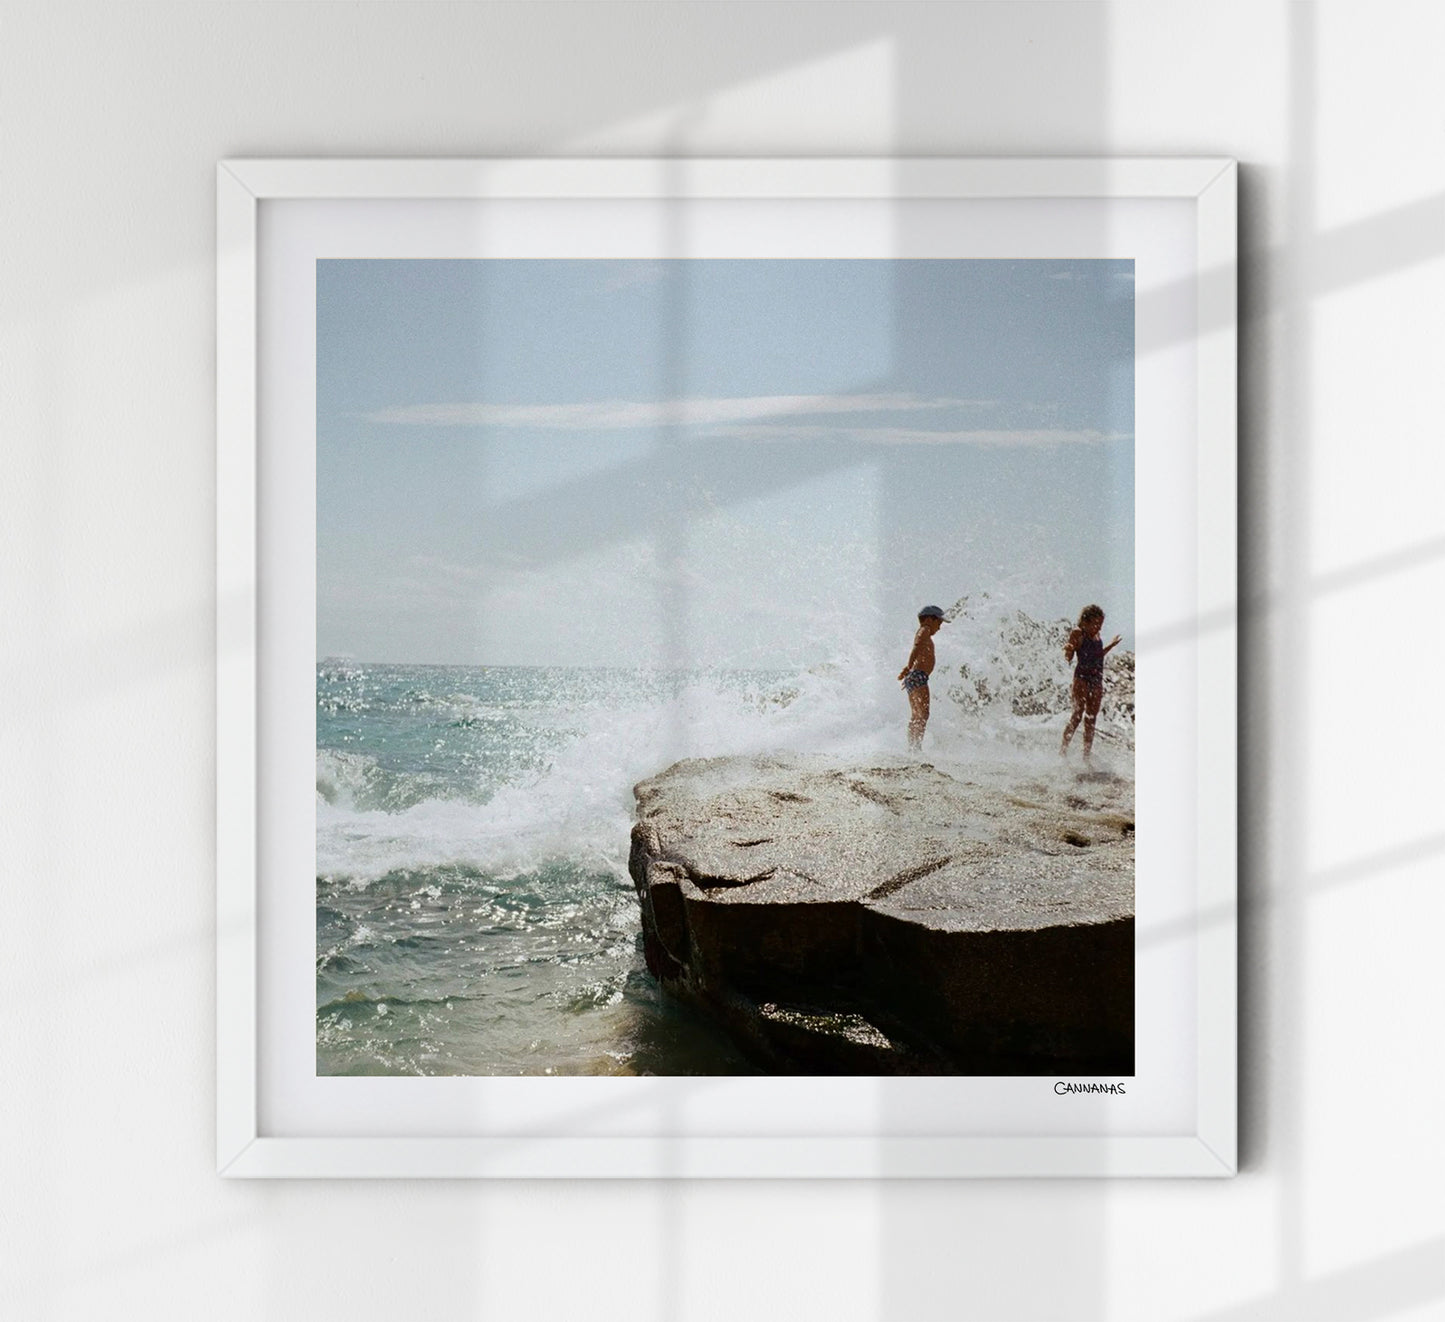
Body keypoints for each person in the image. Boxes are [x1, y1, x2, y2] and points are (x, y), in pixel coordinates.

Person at [1060, 604, 1122, 763]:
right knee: (1077, 715)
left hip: (1096, 679)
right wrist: (1068, 649)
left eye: (1100, 624)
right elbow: (1069, 656)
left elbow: (1097, 655)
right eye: (1095, 624)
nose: (1098, 627)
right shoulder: (1078, 633)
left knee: (1091, 718)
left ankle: (1086, 756)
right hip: (1081, 678)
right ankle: (1062, 751)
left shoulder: (1097, 635)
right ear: (1085, 622)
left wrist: (1112, 645)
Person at [899, 605, 946, 750]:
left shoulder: (925, 632)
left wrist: (909, 671)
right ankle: (916, 746)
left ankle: (912, 746)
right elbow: (917, 646)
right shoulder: (924, 630)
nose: (939, 628)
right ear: (929, 619)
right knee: (923, 714)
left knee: (916, 715)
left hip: (915, 676)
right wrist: (908, 667)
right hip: (918, 676)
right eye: (939, 623)